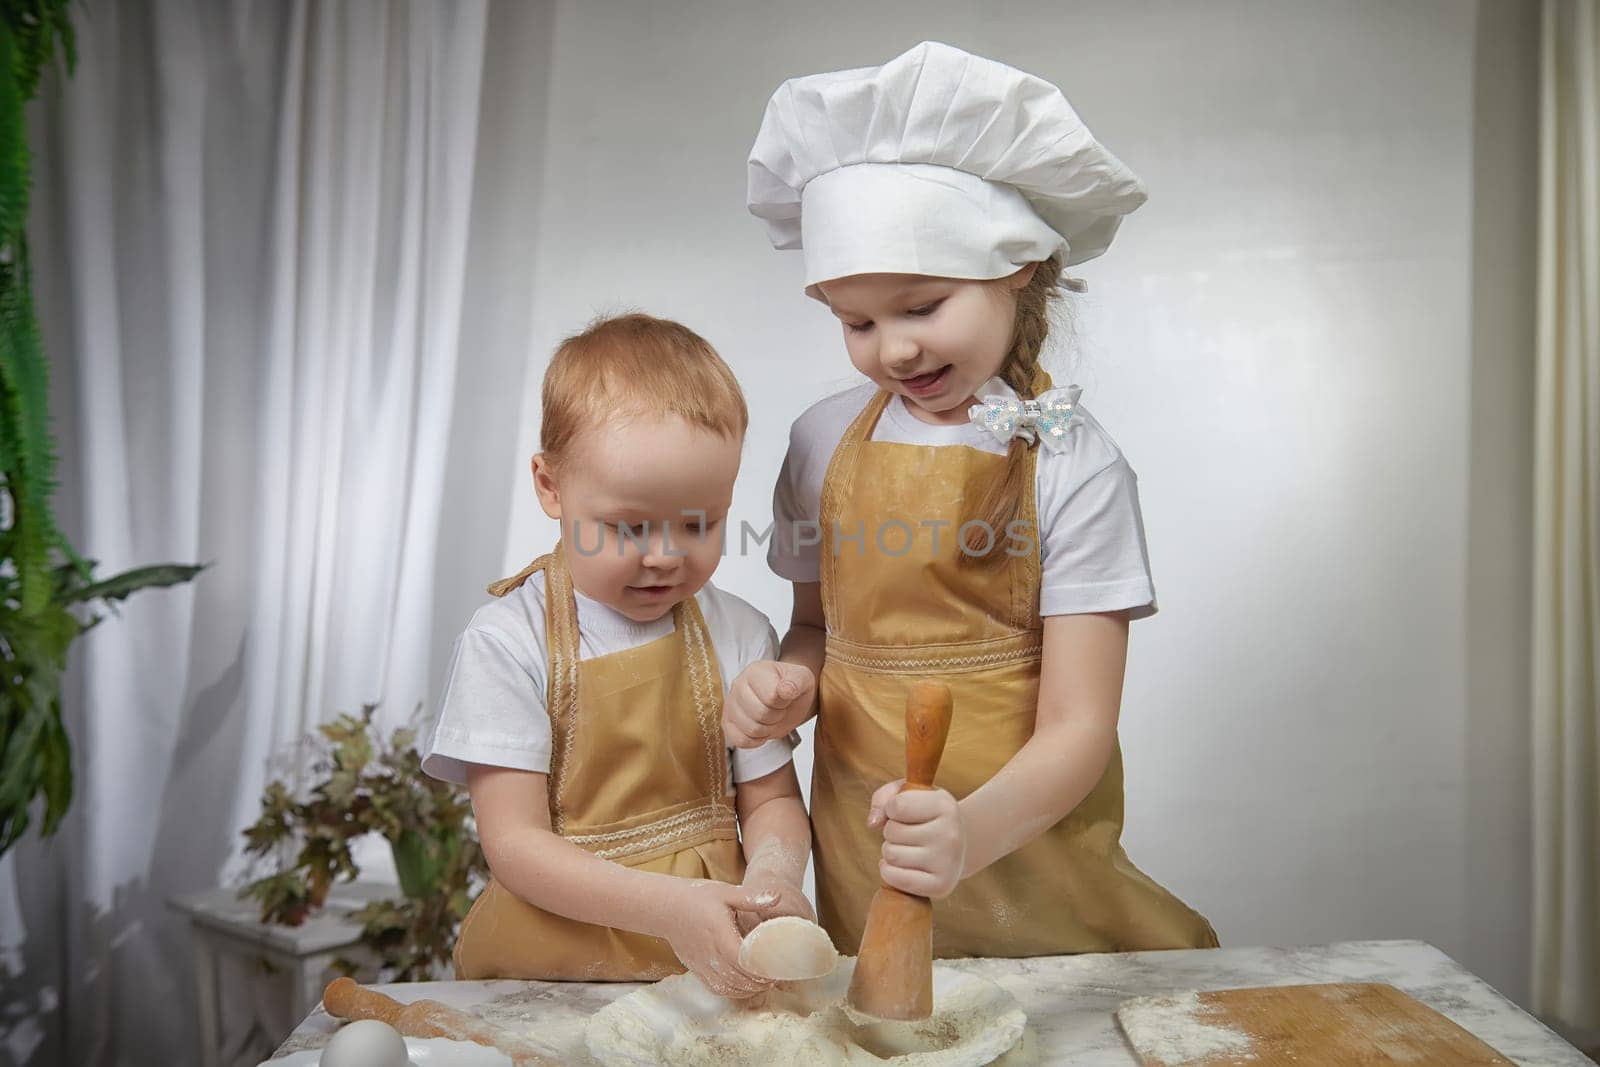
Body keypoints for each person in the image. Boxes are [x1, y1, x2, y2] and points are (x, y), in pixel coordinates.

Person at [726, 42, 1219, 957]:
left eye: (923, 305)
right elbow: (817, 628)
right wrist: (791, 683)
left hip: (1022, 847)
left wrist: (969, 836)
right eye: (857, 321)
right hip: (858, 833)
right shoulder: (821, 440)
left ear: (1019, 267)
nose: (894, 350)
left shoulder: (1074, 464)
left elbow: (1079, 724)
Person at [425, 313, 811, 996]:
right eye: (629, 525)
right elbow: (514, 844)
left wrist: (772, 883)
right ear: (551, 486)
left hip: (708, 973)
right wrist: (669, 908)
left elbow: (773, 800)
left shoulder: (741, 634)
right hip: (546, 975)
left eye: (699, 523)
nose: (664, 555)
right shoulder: (508, 642)